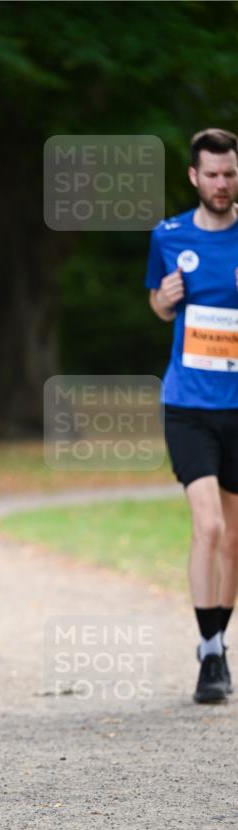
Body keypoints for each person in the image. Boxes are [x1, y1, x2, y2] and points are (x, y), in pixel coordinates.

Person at [145, 127, 238, 703]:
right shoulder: (168, 235)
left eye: (229, 174)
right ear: (193, 177)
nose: (222, 184)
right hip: (189, 404)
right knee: (208, 526)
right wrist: (168, 298)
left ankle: (220, 644)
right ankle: (208, 651)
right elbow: (157, 304)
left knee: (233, 539)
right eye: (212, 174)